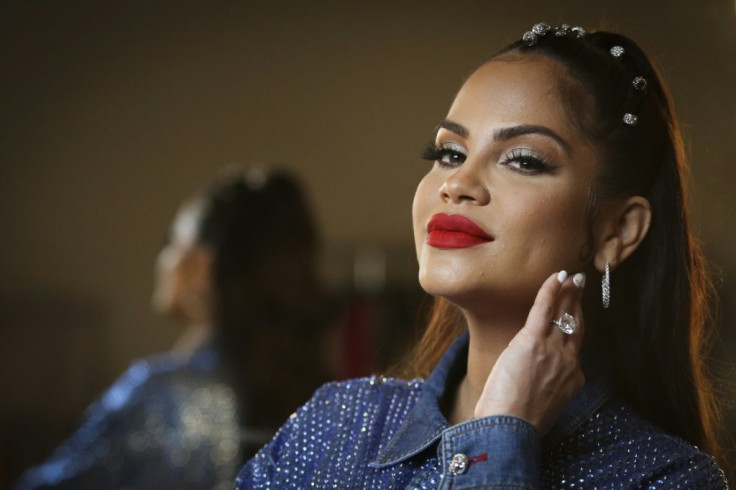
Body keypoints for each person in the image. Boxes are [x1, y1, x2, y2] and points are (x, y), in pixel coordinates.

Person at [234, 24, 729, 488]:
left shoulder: (665, 477)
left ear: (617, 232)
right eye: (449, 153)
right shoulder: (334, 424)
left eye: (523, 160)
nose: (458, 184)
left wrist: (501, 433)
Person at [16, 166, 329, 489]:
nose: (164, 259)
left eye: (173, 242)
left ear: (201, 266)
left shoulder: (162, 396)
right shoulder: (323, 400)